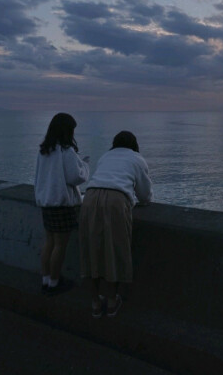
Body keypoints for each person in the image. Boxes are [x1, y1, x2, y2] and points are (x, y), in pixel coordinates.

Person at [79, 131, 152, 318]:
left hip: (89, 197)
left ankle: (95, 302)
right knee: (114, 250)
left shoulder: (106, 156)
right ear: (134, 144)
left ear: (115, 143)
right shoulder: (137, 159)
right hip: (115, 200)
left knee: (91, 250)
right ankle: (111, 302)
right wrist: (142, 201)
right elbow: (144, 193)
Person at [34, 113, 90, 295]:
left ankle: (46, 280)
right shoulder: (66, 151)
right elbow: (76, 177)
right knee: (60, 245)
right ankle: (55, 283)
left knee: (49, 242)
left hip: (47, 203)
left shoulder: (44, 151)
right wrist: (85, 166)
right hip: (62, 205)